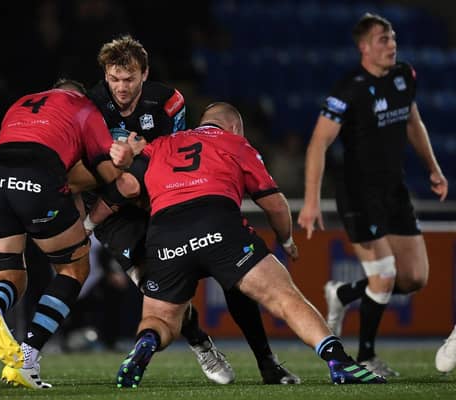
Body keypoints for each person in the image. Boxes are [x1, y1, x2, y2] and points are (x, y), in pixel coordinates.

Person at [109, 102, 385, 387]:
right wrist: (285, 239)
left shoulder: (162, 144)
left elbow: (128, 185)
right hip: (217, 223)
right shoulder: (236, 144)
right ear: (235, 127)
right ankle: (338, 361)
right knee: (284, 298)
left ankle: (147, 343)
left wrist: (129, 154)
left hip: (165, 233)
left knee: (161, 319)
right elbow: (275, 205)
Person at [78, 34, 300, 384]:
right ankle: (200, 342)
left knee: (234, 277)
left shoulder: (168, 102)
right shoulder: (88, 107)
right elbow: (84, 167)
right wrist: (94, 209)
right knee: (156, 288)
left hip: (163, 200)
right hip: (116, 208)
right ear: (104, 75)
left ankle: (265, 360)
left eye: (130, 79)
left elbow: (179, 154)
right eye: (114, 79)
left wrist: (137, 161)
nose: (121, 87)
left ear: (145, 74)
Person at [297, 13, 449, 377]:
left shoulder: (403, 76)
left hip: (393, 189)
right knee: (383, 274)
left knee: (413, 277)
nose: (392, 44)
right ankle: (366, 355)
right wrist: (312, 199)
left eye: (393, 36)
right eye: (383, 38)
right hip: (358, 192)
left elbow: (413, 121)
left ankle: (345, 293)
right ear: (364, 47)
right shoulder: (349, 88)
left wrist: (433, 167)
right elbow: (319, 142)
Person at [0, 83, 134, 389]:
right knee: (75, 268)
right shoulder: (85, 108)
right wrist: (127, 160)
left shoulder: (21, 101)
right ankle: (29, 355)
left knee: (9, 278)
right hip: (37, 174)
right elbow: (111, 177)